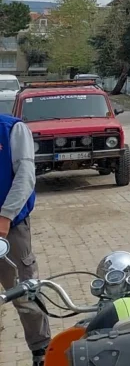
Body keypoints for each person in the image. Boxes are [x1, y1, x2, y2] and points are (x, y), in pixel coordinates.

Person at [0, 112, 50, 366]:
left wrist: (5, 216)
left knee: (23, 291)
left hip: (9, 229)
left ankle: (41, 351)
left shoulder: (11, 129)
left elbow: (25, 176)